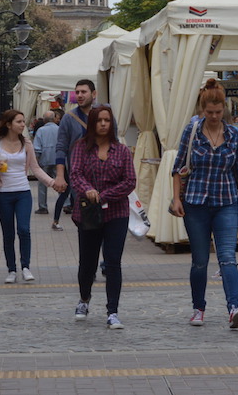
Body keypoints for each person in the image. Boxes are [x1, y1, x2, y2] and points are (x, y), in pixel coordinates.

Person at [169, 78, 238, 330]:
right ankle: (198, 308)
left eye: (218, 112)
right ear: (202, 110)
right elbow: (178, 168)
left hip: (226, 202)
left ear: (224, 109)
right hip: (195, 203)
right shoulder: (192, 130)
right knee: (199, 260)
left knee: (228, 257)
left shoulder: (234, 134)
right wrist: (176, 198)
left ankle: (234, 308)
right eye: (210, 113)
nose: (214, 117)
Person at [69, 106, 136, 329]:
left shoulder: (122, 151)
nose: (104, 124)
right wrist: (88, 189)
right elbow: (75, 174)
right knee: (87, 262)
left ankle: (113, 311)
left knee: (113, 261)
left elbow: (129, 181)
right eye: (99, 120)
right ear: (93, 123)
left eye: (107, 120)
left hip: (116, 212)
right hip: (88, 212)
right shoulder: (81, 147)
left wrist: (104, 195)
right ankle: (84, 298)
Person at [0, 109, 64, 283]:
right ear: (8, 124)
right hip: (2, 194)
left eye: (23, 122)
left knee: (24, 229)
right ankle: (11, 269)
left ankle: (26, 267)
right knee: (8, 233)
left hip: (22, 192)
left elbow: (35, 168)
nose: (23, 125)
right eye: (19, 122)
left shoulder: (27, 143)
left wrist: (52, 183)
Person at [54, 79, 97, 226]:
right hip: (78, 174)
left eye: (83, 92)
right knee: (85, 217)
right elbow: (61, 147)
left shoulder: (103, 115)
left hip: (102, 172)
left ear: (94, 94)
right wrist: (60, 176)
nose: (79, 95)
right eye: (77, 92)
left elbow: (114, 142)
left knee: (105, 214)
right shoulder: (68, 118)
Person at [32, 110, 60, 217]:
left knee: (42, 183)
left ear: (44, 120)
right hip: (58, 159)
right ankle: (66, 203)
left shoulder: (41, 131)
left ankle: (43, 206)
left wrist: (37, 160)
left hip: (45, 159)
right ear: (54, 119)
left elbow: (37, 147)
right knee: (60, 181)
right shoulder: (59, 129)